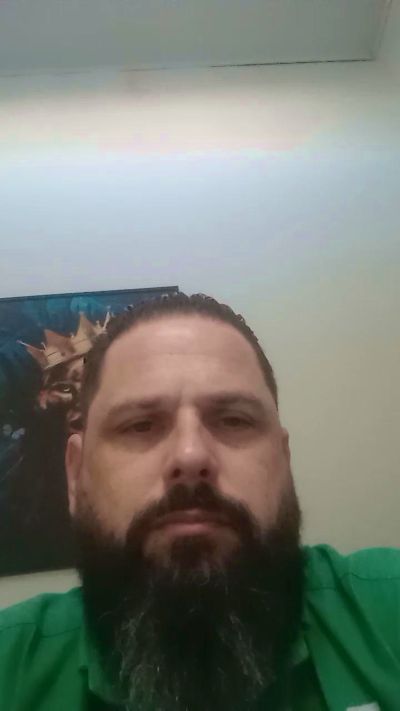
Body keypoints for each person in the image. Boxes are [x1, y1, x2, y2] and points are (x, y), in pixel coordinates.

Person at [0, 292, 399, 711]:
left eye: (234, 420)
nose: (190, 456)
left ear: (284, 461)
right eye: (140, 425)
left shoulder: (386, 613)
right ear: (76, 475)